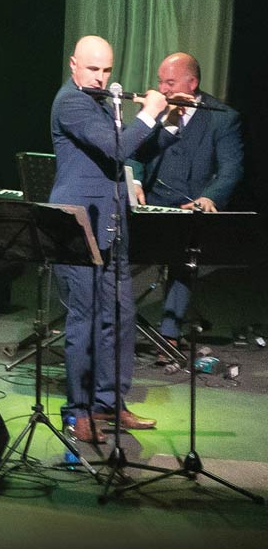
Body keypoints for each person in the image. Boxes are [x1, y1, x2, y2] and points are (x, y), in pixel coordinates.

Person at [50, 35, 164, 442]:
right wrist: (148, 114)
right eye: (93, 69)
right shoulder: (71, 102)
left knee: (119, 317)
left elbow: (133, 154)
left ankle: (109, 404)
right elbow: (117, 148)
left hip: (113, 224)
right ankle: (78, 411)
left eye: (107, 70)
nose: (101, 78)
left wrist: (169, 117)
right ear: (74, 65)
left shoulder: (101, 102)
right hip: (78, 225)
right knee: (83, 321)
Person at [129, 51, 243, 354]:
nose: (163, 89)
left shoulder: (222, 118)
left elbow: (231, 168)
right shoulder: (156, 109)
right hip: (150, 200)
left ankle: (169, 333)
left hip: (188, 207)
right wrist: (136, 181)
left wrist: (209, 196)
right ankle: (118, 324)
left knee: (183, 259)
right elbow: (135, 151)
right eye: (160, 82)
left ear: (191, 83)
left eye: (169, 82)